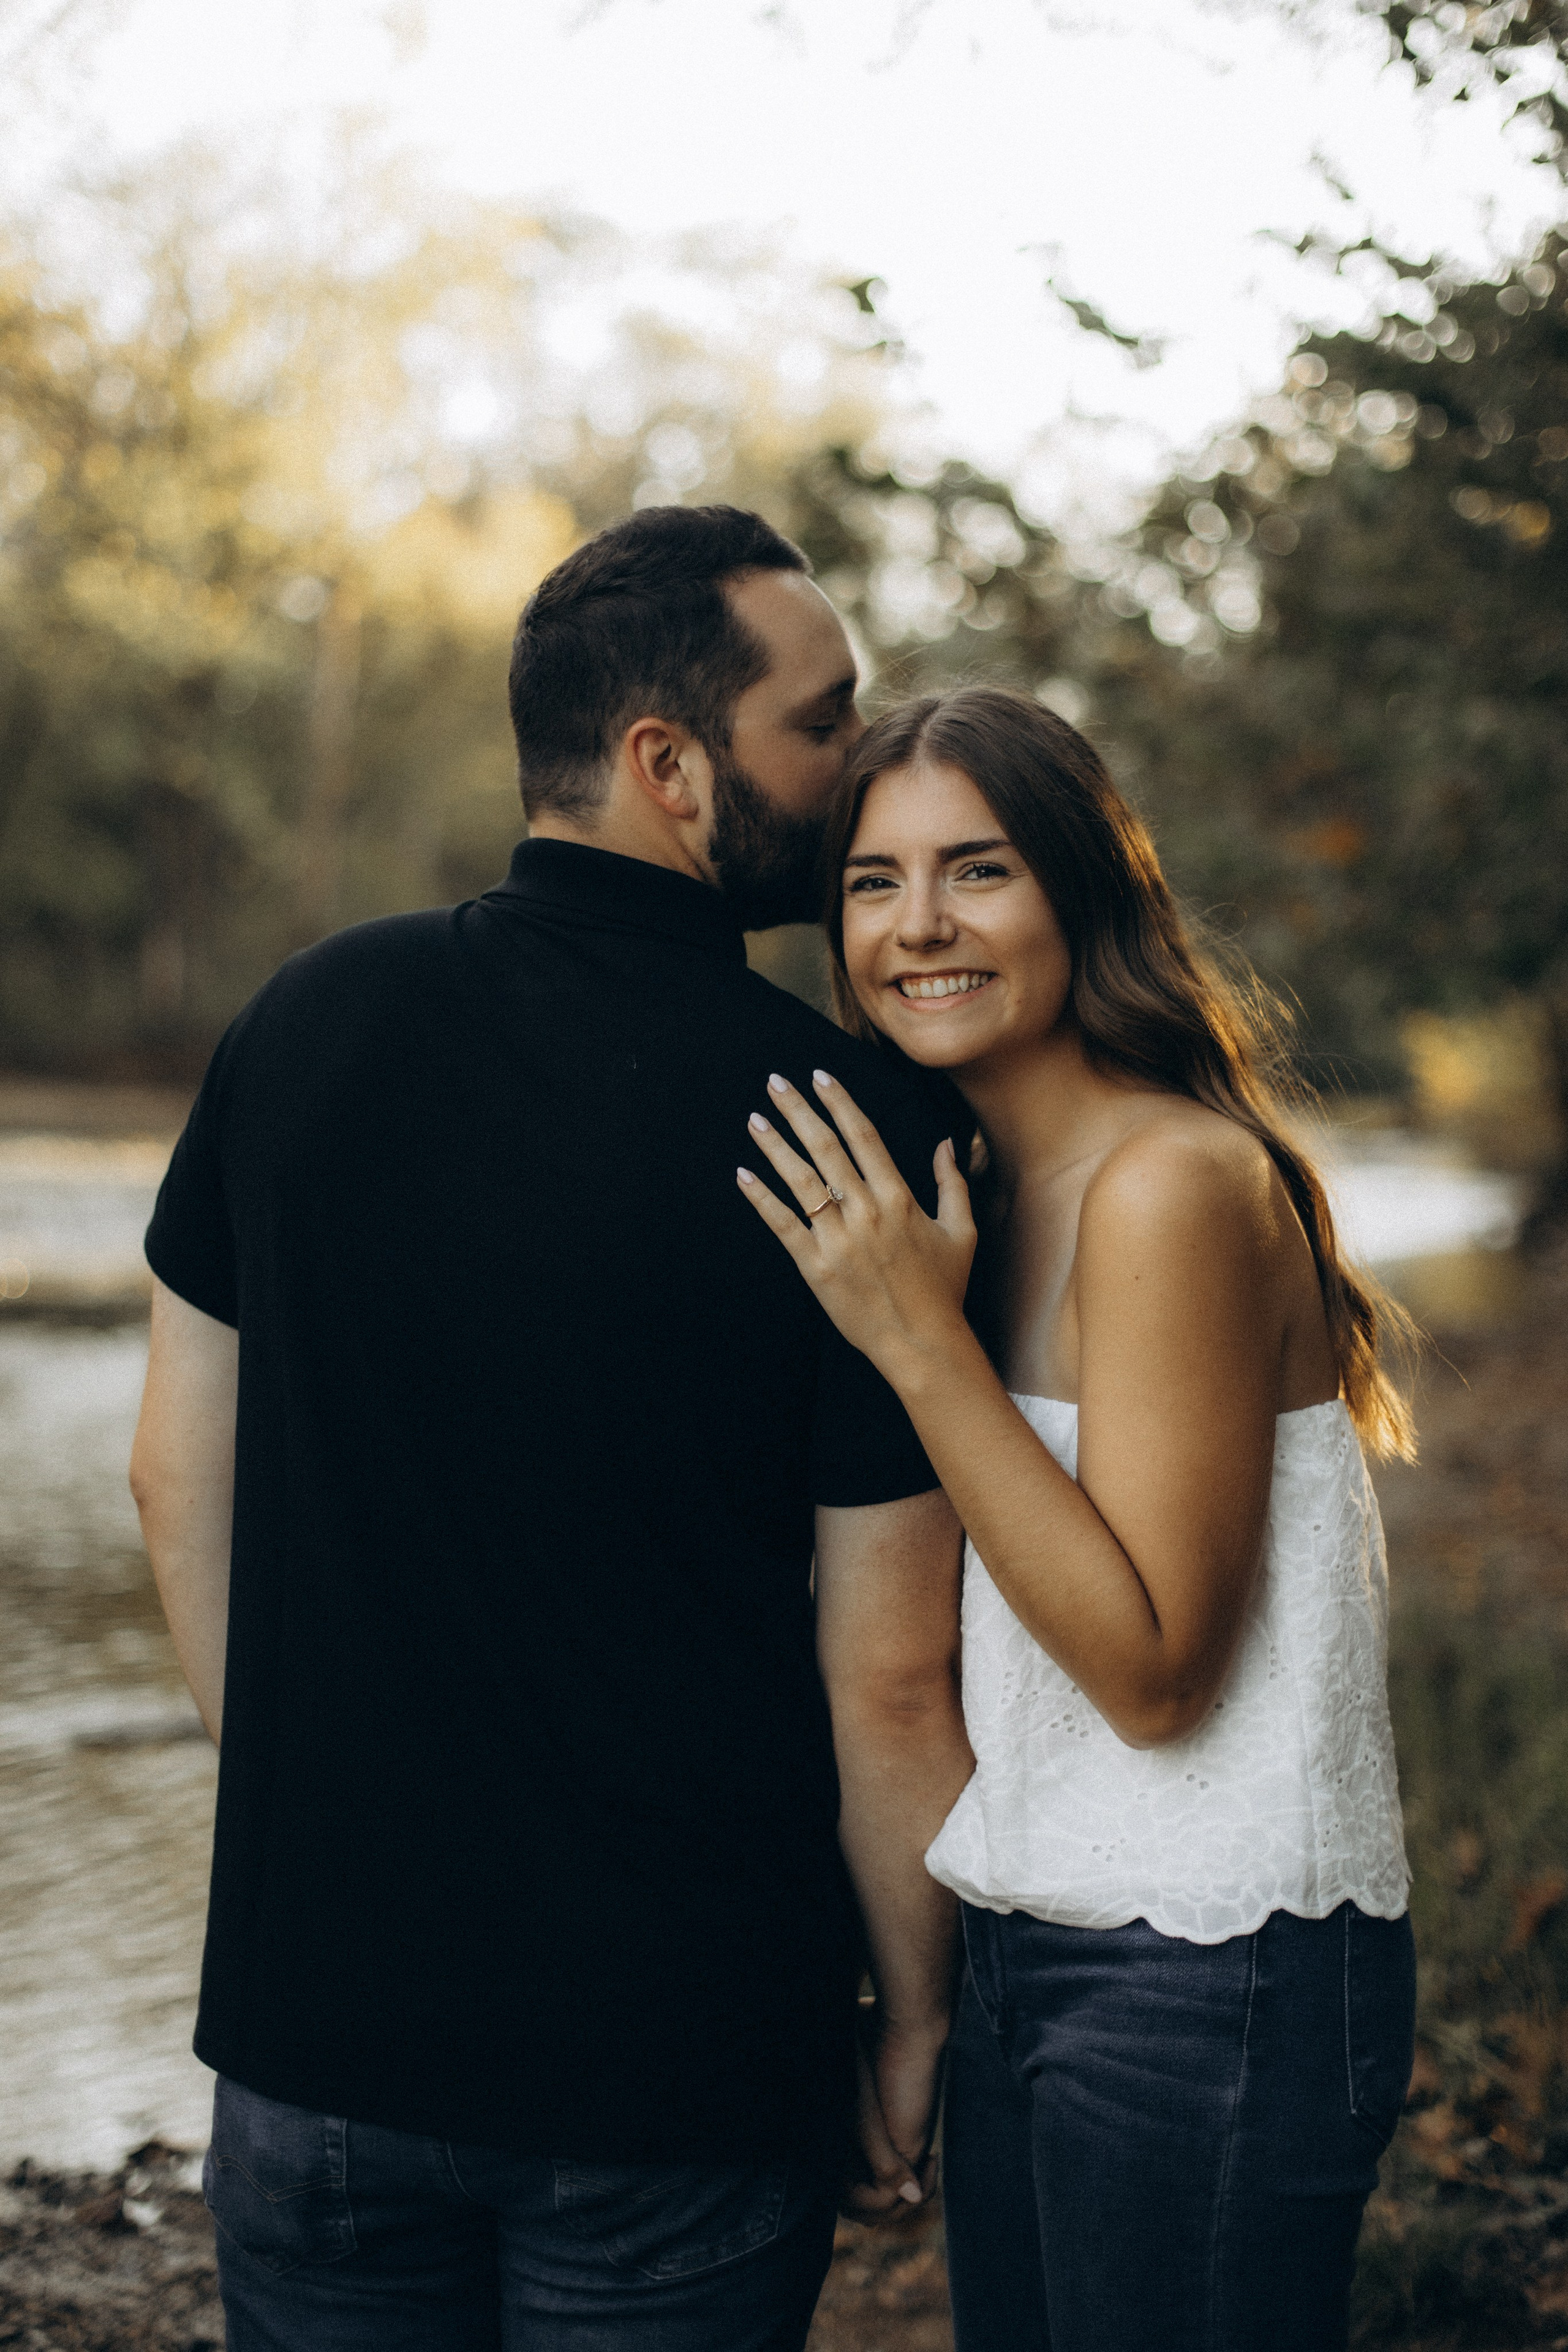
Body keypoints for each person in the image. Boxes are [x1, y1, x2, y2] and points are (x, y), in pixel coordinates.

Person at [129, 507, 973, 2352]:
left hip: (316, 2028)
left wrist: (321, 1819)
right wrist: (915, 2018)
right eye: (824, 726)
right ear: (671, 766)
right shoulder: (843, 1132)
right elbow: (890, 1674)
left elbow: (173, 1474)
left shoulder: (307, 1019)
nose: (861, 770)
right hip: (670, 2070)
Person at [735, 685, 1416, 2352]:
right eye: (875, 884)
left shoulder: (1171, 1186)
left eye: (978, 871)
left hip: (1219, 1961)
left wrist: (914, 1343)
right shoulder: (991, 1191)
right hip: (1036, 1942)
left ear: (1083, 892)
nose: (919, 928)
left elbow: (1155, 1671)